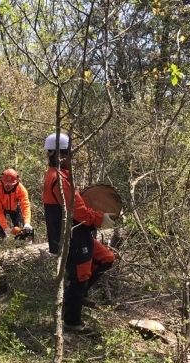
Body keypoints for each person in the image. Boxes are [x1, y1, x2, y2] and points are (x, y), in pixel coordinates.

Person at [41, 132, 115, 333]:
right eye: (67, 154)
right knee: (80, 277)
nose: (70, 158)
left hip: (79, 232)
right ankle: (72, 321)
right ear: (58, 154)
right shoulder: (58, 179)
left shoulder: (61, 176)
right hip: (71, 236)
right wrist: (101, 219)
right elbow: (79, 211)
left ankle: (76, 296)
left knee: (106, 258)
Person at [0, 168, 32, 242]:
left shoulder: (21, 189)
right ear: (2, 181)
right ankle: (0, 247)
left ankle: (20, 245)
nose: (7, 187)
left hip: (15, 208)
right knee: (0, 229)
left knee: (18, 228)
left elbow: (25, 205)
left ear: (16, 183)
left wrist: (27, 222)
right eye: (6, 184)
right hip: (1, 210)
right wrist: (5, 227)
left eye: (10, 185)